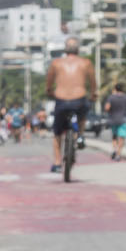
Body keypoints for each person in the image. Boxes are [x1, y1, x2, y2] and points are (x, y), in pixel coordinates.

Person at [45, 36, 97, 174]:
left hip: (61, 100)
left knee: (57, 133)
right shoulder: (86, 63)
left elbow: (49, 82)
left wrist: (49, 92)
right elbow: (93, 83)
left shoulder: (56, 63)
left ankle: (57, 162)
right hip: (79, 99)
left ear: (65, 49)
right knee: (83, 114)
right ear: (78, 49)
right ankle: (79, 134)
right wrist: (93, 94)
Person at [104, 81, 126, 162]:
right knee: (121, 138)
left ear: (115, 89)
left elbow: (107, 108)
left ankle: (114, 149)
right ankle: (118, 154)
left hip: (113, 119)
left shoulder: (111, 97)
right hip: (123, 120)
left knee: (114, 136)